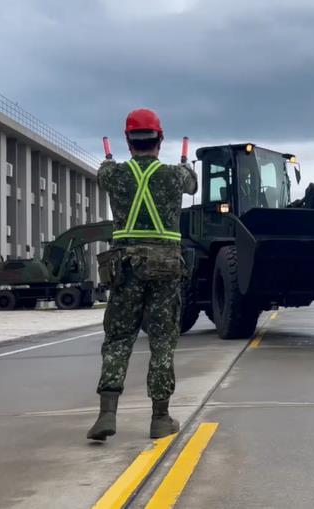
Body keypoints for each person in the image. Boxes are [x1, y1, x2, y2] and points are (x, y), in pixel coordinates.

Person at [87, 108, 198, 441]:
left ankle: (107, 414)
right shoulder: (174, 176)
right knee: (163, 342)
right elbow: (193, 183)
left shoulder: (115, 175)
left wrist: (108, 162)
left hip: (126, 268)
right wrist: (183, 166)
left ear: (127, 140)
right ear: (160, 140)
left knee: (118, 340)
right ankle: (160, 419)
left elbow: (102, 173)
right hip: (165, 267)